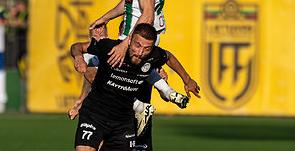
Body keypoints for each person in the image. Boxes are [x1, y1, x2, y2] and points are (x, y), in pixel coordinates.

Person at [88, 0, 184, 151]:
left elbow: (148, 13)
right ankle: (153, 96)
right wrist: (106, 17)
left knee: (95, 72)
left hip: (135, 39)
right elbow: (131, 2)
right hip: (139, 38)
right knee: (123, 100)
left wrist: (125, 44)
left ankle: (139, 105)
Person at [71, 23, 200, 151]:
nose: (140, 52)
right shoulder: (110, 47)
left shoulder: (153, 56)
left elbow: (169, 57)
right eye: (137, 45)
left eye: (147, 49)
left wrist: (187, 80)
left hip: (123, 122)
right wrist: (78, 57)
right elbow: (77, 46)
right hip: (95, 115)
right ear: (130, 38)